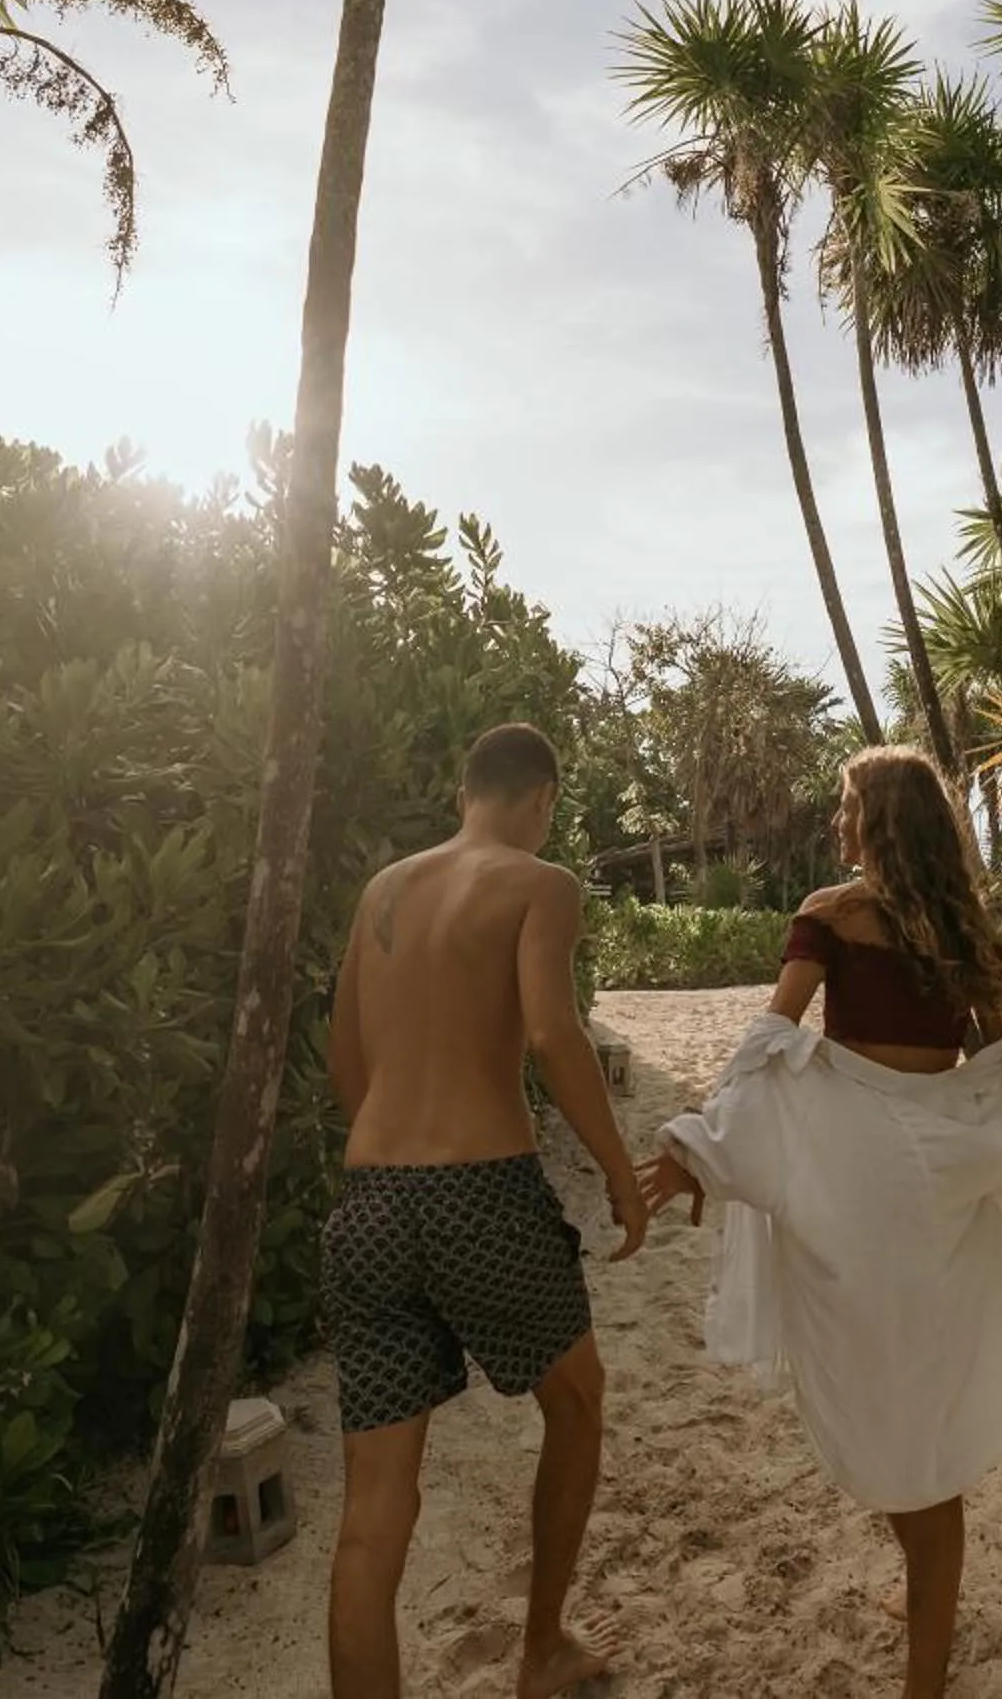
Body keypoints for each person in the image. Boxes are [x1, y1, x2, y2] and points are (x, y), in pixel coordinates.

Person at [641, 747, 1002, 1699]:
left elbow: (770, 1045)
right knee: (921, 1411)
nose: (836, 823)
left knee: (888, 1414)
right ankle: (927, 1614)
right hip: (936, 1200)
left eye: (845, 806)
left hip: (861, 1199)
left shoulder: (828, 916)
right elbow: (1001, 1079)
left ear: (877, 820)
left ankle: (925, 1676)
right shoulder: (963, 929)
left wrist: (704, 1143)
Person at [323, 720, 648, 1699]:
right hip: (479, 1196)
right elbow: (552, 1032)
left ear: (467, 790)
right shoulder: (539, 885)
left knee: (374, 1514)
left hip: (370, 1202)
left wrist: (397, 1148)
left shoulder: (380, 894)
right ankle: (542, 1648)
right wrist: (618, 1172)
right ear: (540, 798)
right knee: (578, 1400)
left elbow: (346, 1058)